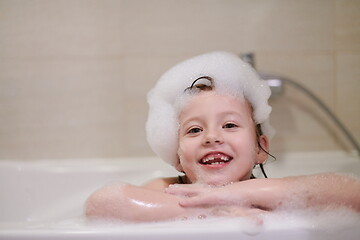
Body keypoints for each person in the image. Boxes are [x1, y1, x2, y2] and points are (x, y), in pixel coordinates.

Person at [85, 52, 360, 222]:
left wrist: (235, 194)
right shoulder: (171, 189)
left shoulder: (270, 192)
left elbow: (352, 194)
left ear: (260, 149)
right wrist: (209, 209)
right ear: (177, 157)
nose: (211, 137)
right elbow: (104, 204)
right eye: (194, 130)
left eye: (229, 125)